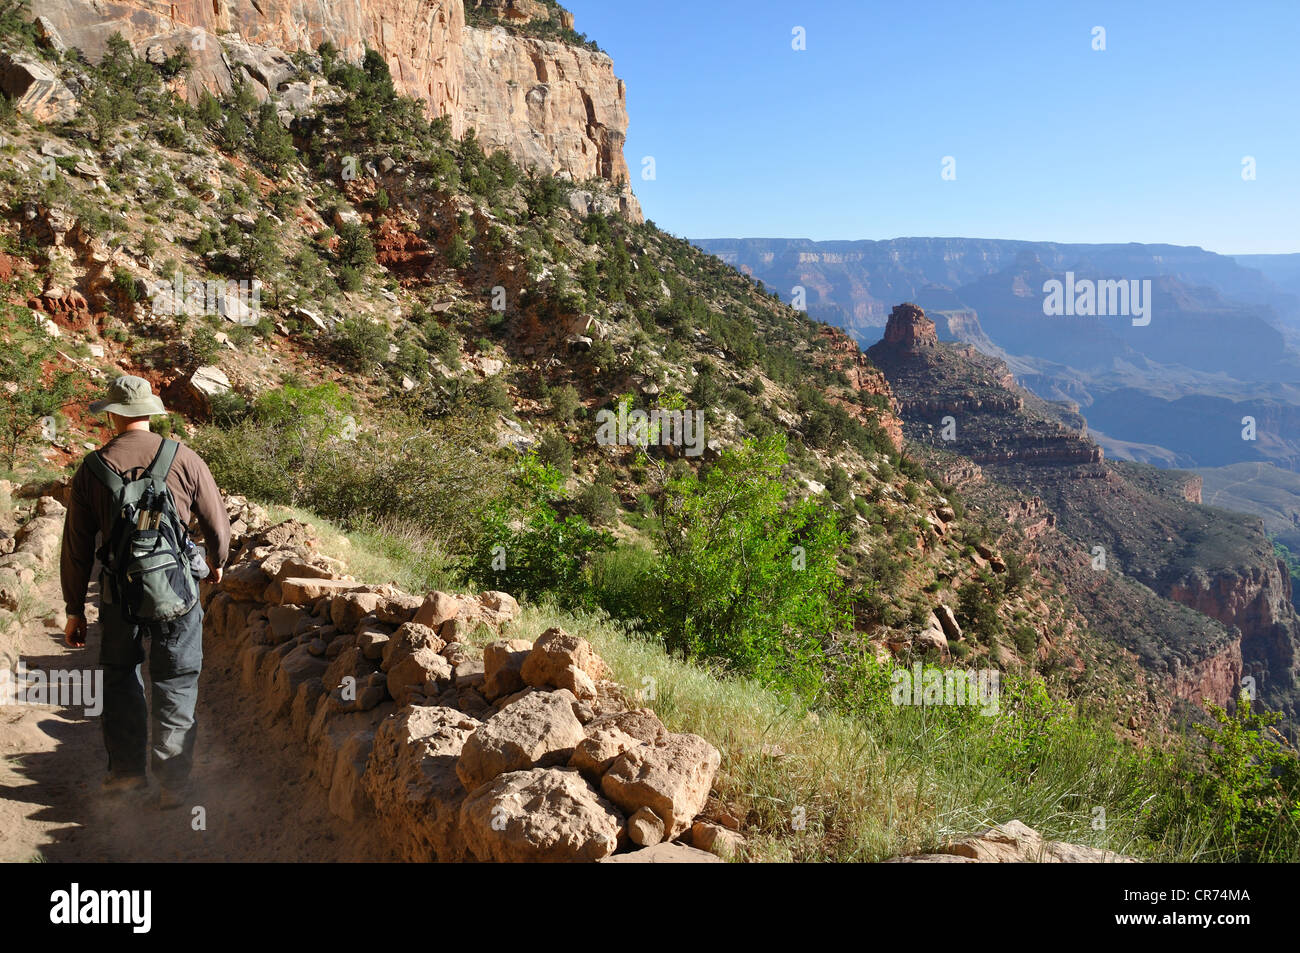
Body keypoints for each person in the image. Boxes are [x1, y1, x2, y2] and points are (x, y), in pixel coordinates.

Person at [59, 375, 231, 808]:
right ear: (151, 413)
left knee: (119, 679)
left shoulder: (91, 470)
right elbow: (217, 525)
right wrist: (216, 564)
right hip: (178, 594)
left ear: (113, 415)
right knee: (175, 679)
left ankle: (126, 777)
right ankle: (173, 784)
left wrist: (75, 609)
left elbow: (77, 549)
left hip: (119, 597)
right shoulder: (184, 458)